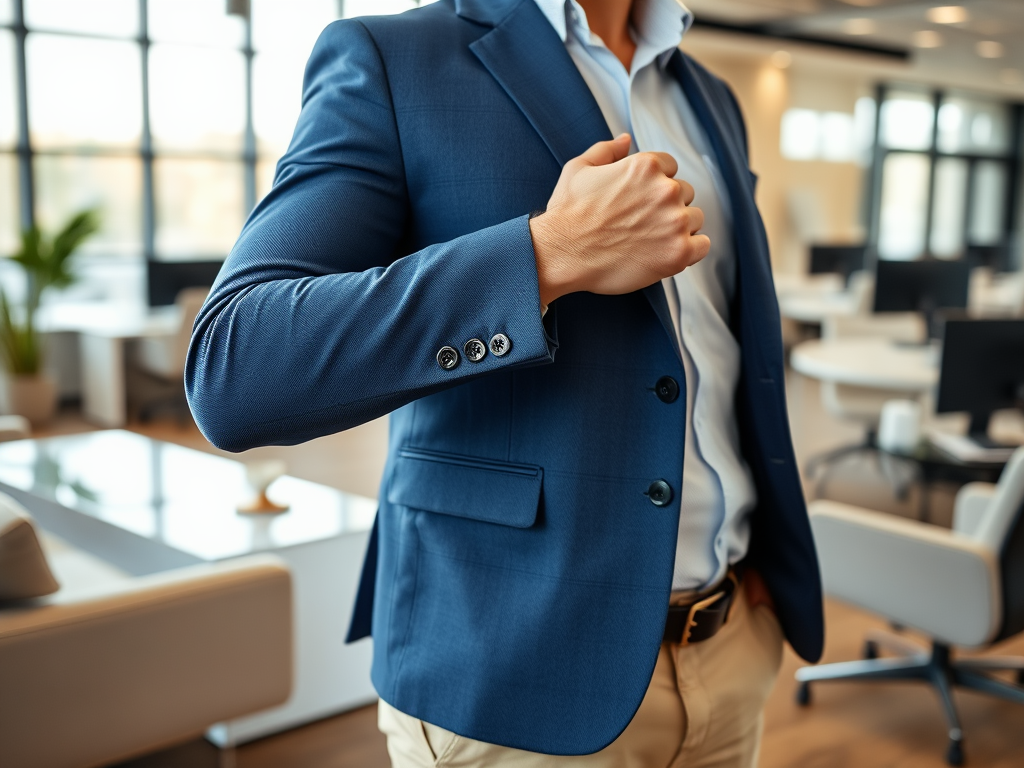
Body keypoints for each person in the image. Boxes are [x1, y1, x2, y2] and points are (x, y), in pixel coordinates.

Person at [186, 0, 824, 765]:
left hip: (728, 648)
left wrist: (755, 572)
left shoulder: (709, 93)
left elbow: (718, 355)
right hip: (513, 669)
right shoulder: (393, 57)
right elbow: (235, 366)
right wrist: (548, 254)